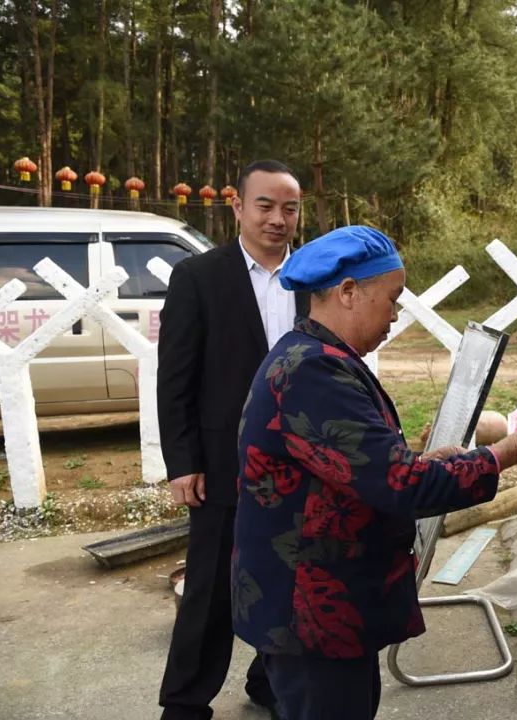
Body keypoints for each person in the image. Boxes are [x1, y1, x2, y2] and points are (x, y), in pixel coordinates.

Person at [231, 224, 517, 720]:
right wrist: (508, 452)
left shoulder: (318, 355)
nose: (395, 314)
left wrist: (424, 461)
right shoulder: (315, 371)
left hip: (319, 603)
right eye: (391, 299)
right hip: (311, 609)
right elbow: (400, 486)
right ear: (348, 292)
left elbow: (363, 467)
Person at [157, 159, 307, 719]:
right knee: (211, 589)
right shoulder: (200, 277)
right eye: (264, 205)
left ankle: (269, 681)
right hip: (223, 461)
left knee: (292, 576)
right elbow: (174, 378)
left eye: (288, 208)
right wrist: (183, 462)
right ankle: (184, 702)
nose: (276, 219)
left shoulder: (311, 281)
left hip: (301, 458)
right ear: (238, 208)